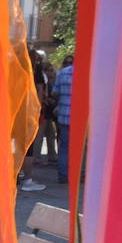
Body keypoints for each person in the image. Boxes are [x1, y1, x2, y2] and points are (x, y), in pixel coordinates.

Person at [18, 46, 47, 192]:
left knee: (15, 146)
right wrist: (39, 109)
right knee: (27, 147)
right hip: (29, 113)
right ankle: (27, 180)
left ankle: (16, 174)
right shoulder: (35, 73)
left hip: (15, 113)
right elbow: (39, 93)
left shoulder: (15, 69)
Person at [50, 53, 73, 184]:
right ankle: (78, 174)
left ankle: (63, 174)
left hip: (64, 114)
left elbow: (54, 92)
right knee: (81, 148)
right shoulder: (87, 72)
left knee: (64, 146)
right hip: (81, 119)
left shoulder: (62, 73)